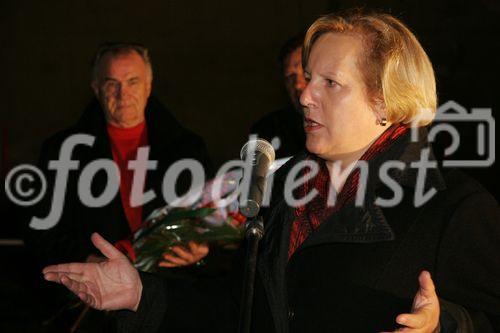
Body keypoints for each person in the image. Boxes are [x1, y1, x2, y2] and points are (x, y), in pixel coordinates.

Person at [42, 11, 500, 332]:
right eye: (305, 78)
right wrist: (139, 292)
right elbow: (240, 311)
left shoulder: (455, 209)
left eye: (330, 83)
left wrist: (445, 326)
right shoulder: (284, 190)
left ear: (385, 102)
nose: (304, 96)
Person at [24, 43, 213, 269]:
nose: (123, 94)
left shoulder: (188, 148)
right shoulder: (60, 151)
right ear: (96, 88)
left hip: (169, 289)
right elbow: (40, 232)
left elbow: (212, 223)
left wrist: (203, 251)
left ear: (148, 86)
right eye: (112, 83)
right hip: (92, 294)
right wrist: (90, 262)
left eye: (133, 82)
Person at [250, 35, 306, 159]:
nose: (297, 85)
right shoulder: (269, 130)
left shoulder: (347, 123)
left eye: (306, 73)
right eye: (290, 77)